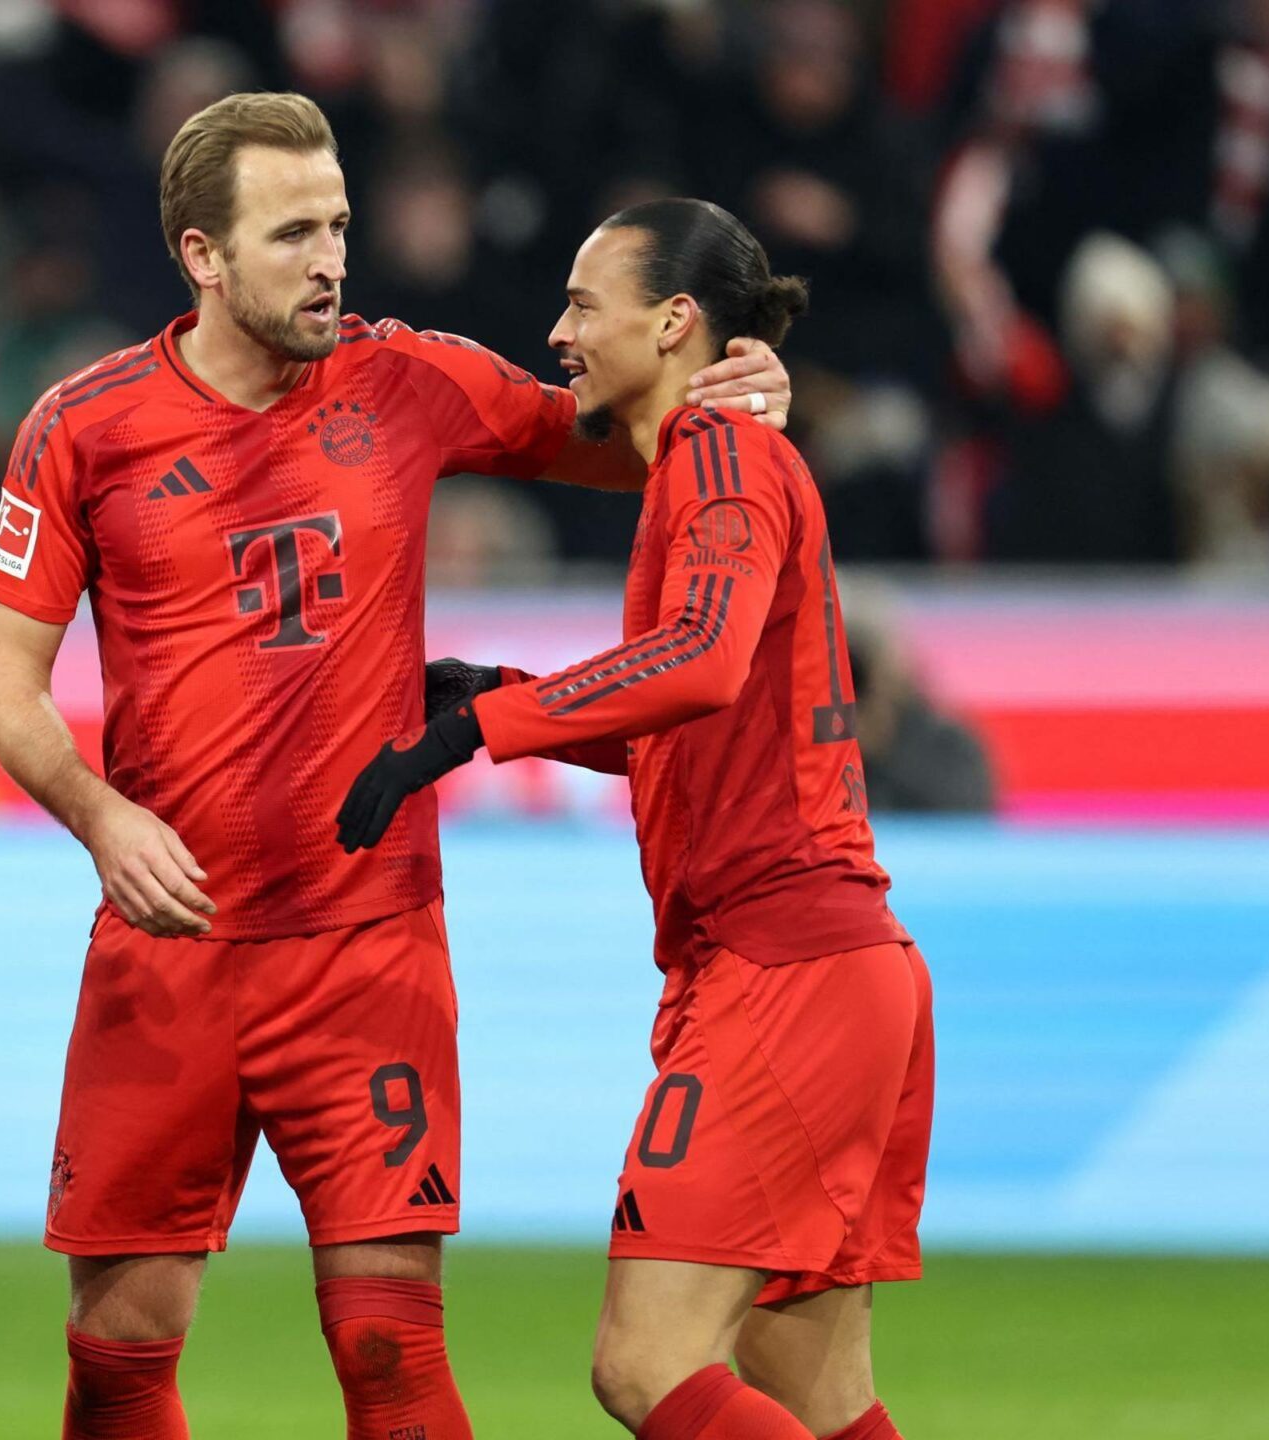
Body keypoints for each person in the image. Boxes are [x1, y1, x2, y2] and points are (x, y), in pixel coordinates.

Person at [0, 92, 794, 1440]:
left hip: (366, 945)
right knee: (121, 1347)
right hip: (170, 943)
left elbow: (620, 435)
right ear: (201, 255)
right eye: (293, 233)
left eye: (339, 226)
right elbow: (6, 690)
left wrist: (734, 392)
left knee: (388, 1345)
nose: (331, 262)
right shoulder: (84, 425)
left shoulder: (408, 377)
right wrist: (102, 820)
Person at [338, 199, 930, 1440]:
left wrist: (475, 729)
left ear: (672, 323)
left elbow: (699, 656)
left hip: (781, 968)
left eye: (581, 304)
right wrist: (499, 690)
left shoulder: (718, 456)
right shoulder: (706, 464)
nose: (558, 333)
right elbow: (692, 710)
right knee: (814, 1393)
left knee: (645, 1366)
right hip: (832, 967)